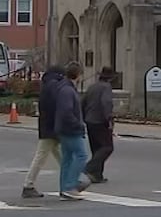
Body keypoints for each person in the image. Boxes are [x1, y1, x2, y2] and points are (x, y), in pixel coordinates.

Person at [21, 65, 64, 199]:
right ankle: (28, 185)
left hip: (47, 125)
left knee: (61, 156)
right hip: (51, 127)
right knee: (41, 156)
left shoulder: (47, 85)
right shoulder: (54, 86)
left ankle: (72, 180)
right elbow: (56, 106)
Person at [53, 61, 90, 200]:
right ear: (78, 75)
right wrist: (78, 125)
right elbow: (67, 112)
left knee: (67, 158)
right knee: (81, 155)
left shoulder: (63, 88)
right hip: (71, 129)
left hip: (64, 129)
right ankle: (70, 186)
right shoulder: (68, 90)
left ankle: (65, 188)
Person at [82, 66, 116, 183]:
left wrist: (84, 117)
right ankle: (88, 168)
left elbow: (83, 102)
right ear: (110, 78)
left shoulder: (92, 87)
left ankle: (97, 175)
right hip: (100, 121)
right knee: (107, 147)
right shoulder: (106, 87)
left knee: (96, 149)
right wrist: (109, 118)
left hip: (89, 121)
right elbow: (106, 103)